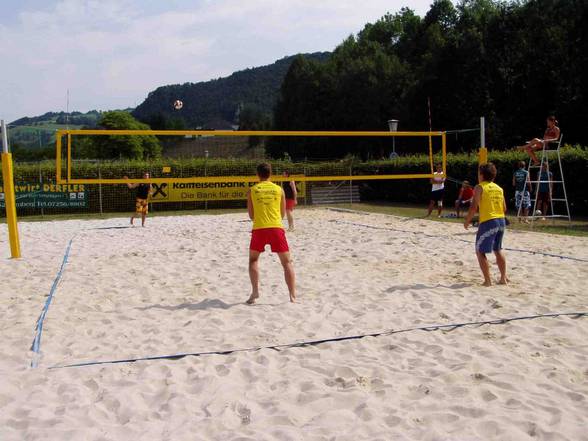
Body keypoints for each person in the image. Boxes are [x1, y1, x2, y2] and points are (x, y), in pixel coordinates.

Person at [246, 163, 296, 304]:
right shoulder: (279, 189)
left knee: (253, 260)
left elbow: (251, 215)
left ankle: (255, 291)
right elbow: (281, 214)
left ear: (257, 174)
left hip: (259, 228)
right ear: (271, 174)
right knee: (287, 263)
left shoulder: (252, 190)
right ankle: (292, 296)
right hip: (276, 228)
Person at [464, 163, 508, 286]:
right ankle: (503, 278)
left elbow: (473, 207)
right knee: (498, 249)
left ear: (481, 175)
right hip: (501, 221)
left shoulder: (479, 187)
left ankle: (487, 281)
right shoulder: (499, 188)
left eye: (479, 173)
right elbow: (504, 208)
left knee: (479, 251)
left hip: (489, 222)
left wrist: (467, 221)